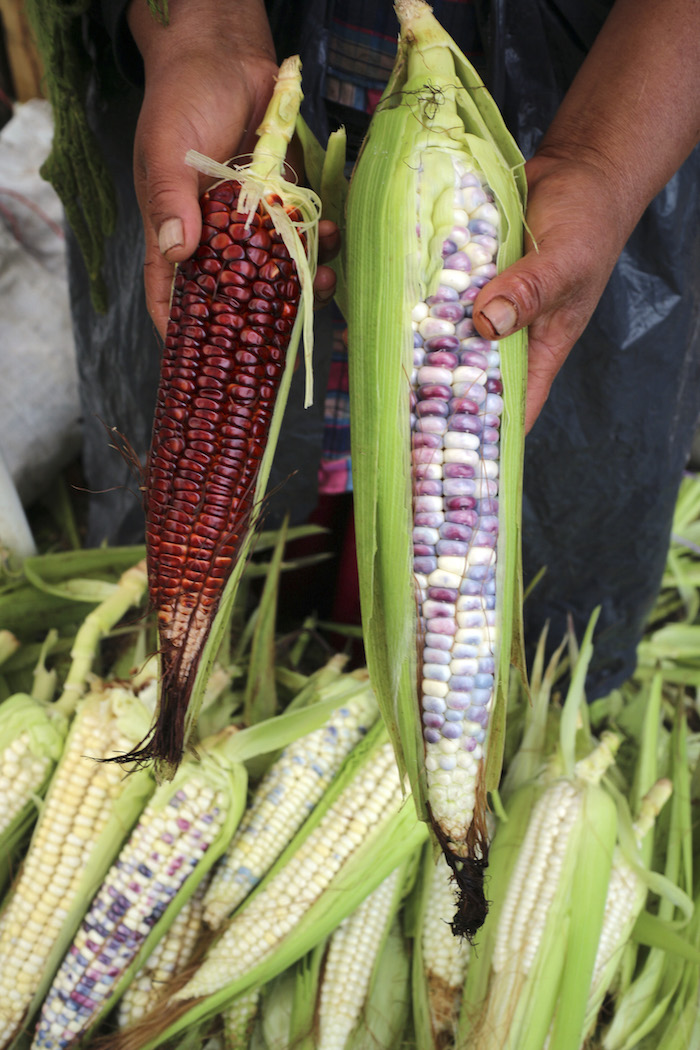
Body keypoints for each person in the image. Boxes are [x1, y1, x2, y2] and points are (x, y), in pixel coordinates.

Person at [27, 0, 700, 695]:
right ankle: (200, 662)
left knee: (482, 510)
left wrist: (600, 162)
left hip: (603, 92)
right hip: (228, 87)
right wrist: (203, 30)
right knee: (274, 509)